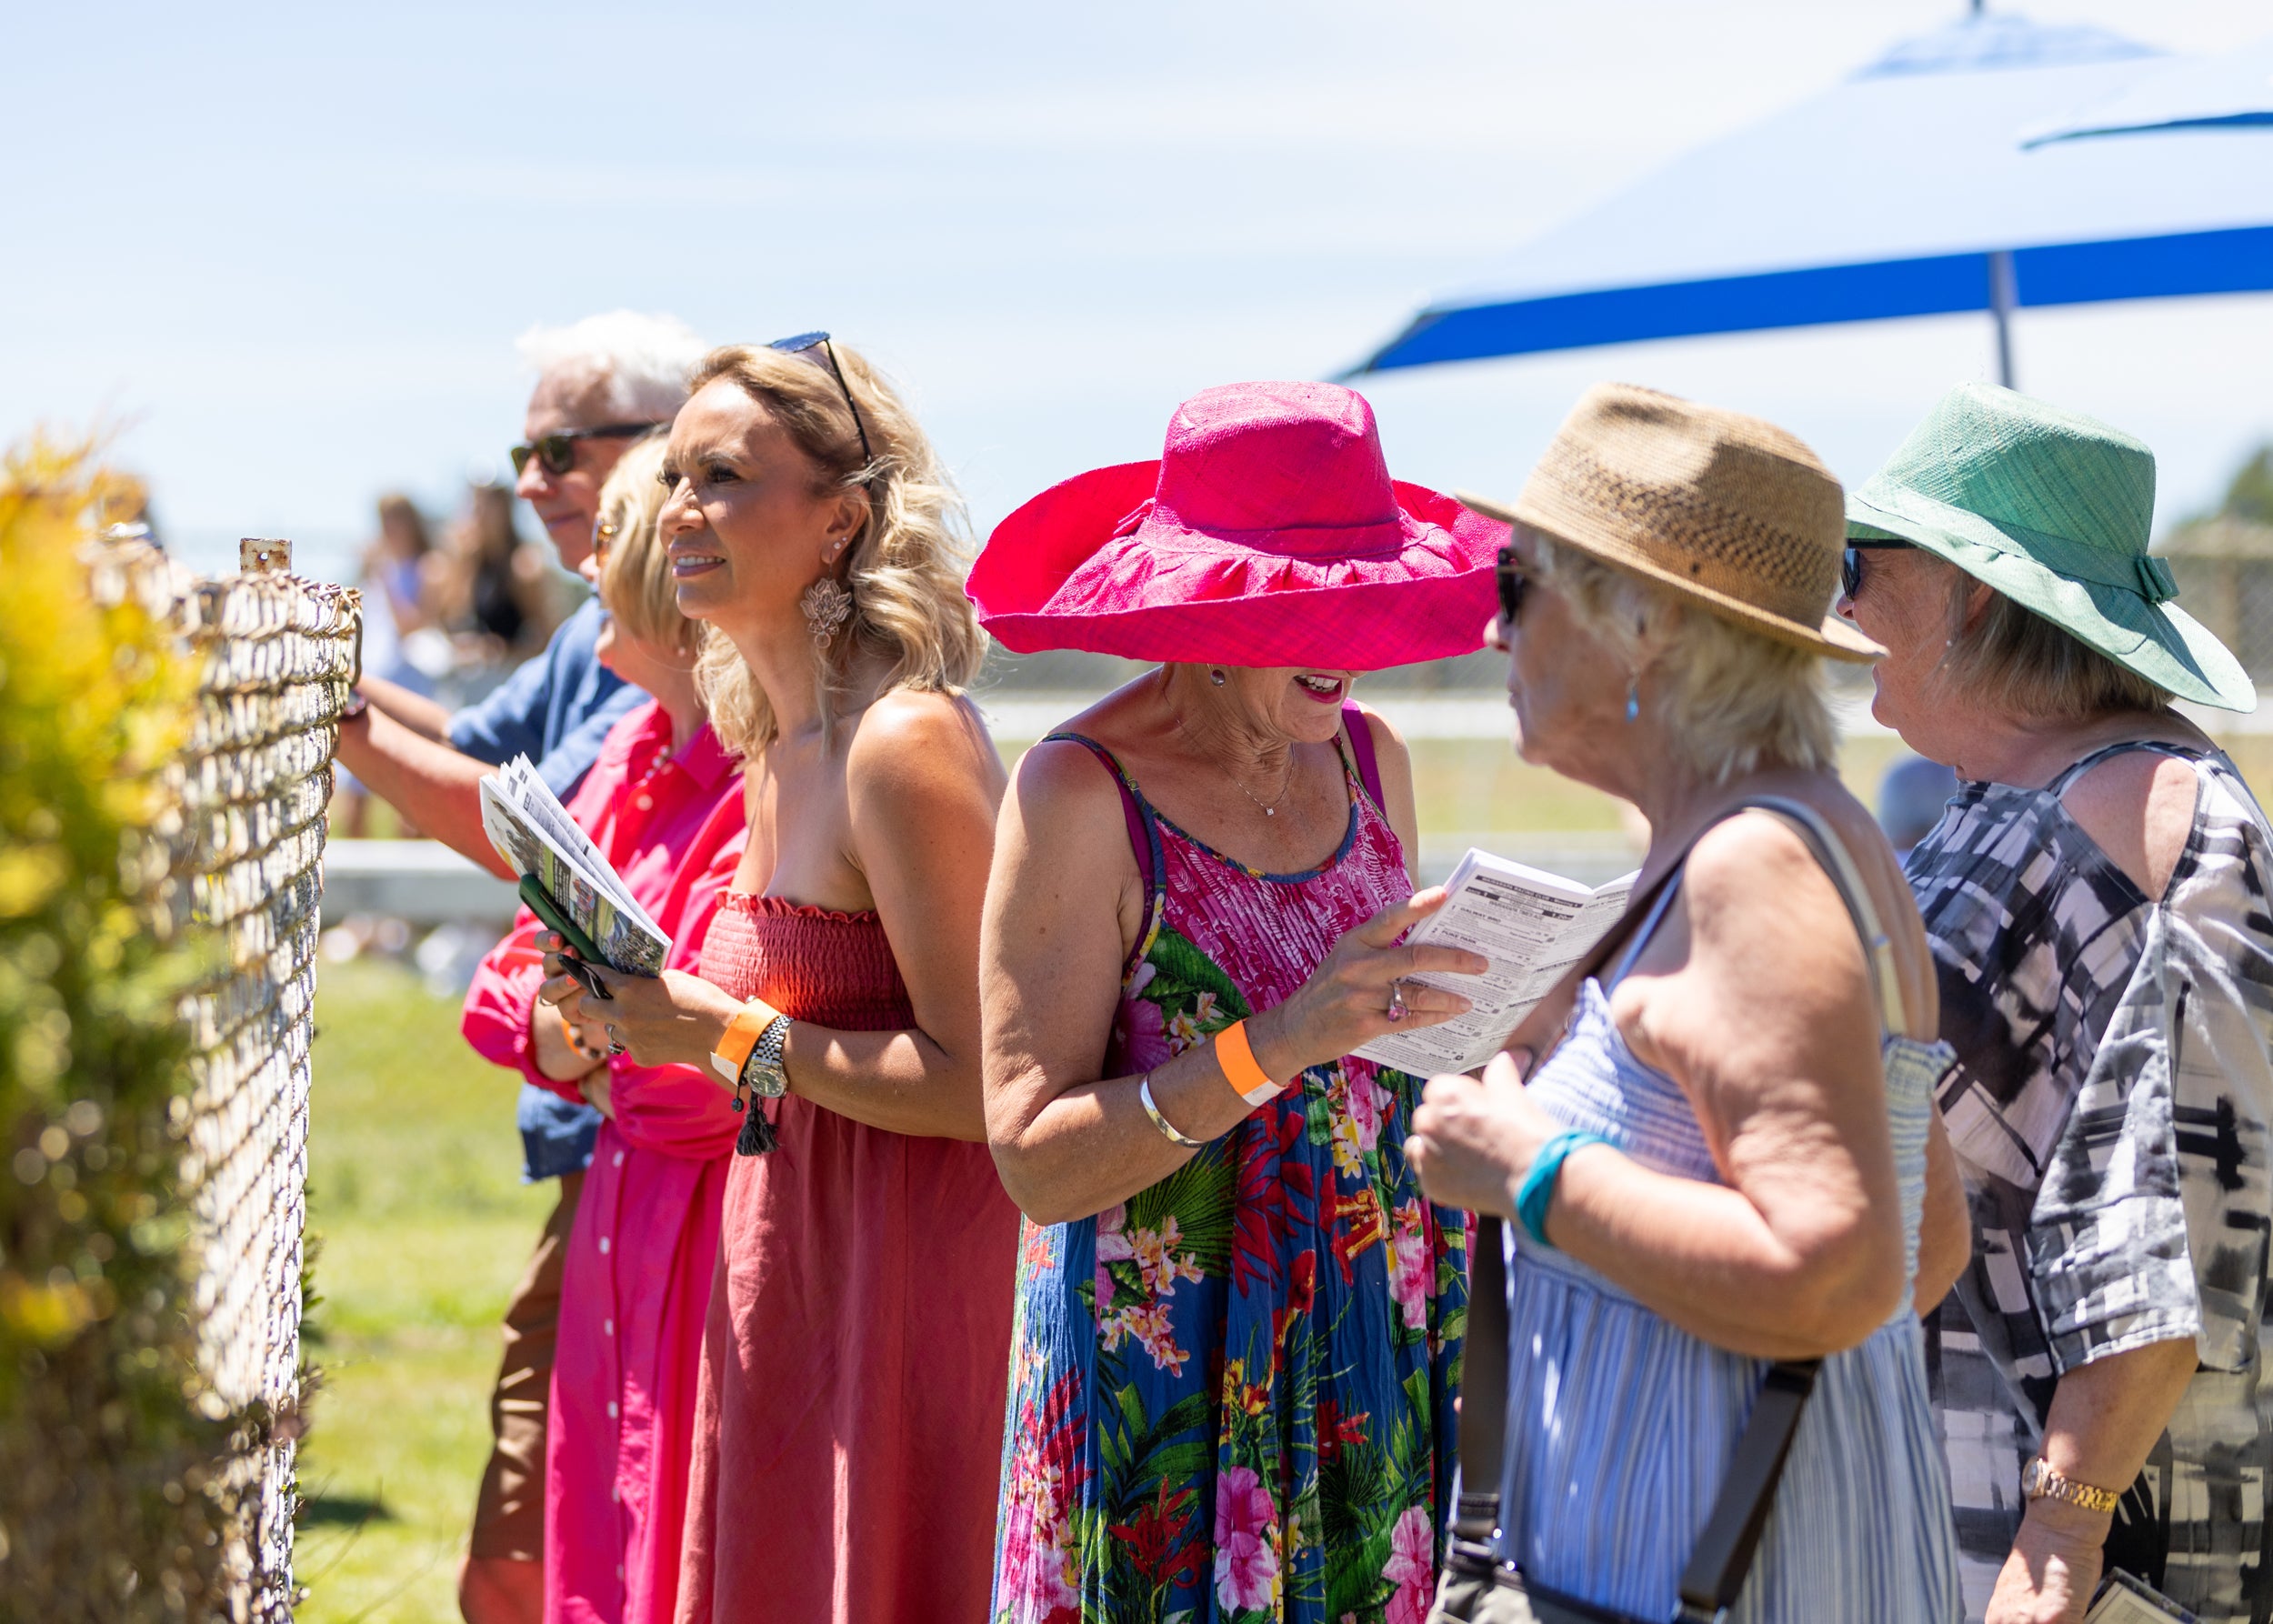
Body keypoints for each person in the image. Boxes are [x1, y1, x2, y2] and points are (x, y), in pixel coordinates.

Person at [1402, 383, 1969, 1621]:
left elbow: (1842, 1264)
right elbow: (1929, 1242)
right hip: (1791, 1552)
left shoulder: (1749, 869)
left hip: (1714, 1580)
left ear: (1643, 620)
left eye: (1518, 587)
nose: (1495, 635)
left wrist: (1530, 1164)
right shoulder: (1808, 835)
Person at [971, 380, 1496, 1624]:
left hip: (1370, 1334)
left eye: (1362, 593)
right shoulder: (1079, 791)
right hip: (1169, 1384)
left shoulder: (1374, 760)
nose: (1345, 636)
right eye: (1299, 601)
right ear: (1201, 604)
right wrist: (1278, 1043)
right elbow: (1034, 1161)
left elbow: (1383, 1044)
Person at [542, 335, 1019, 1624]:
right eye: (673, 473)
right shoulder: (772, 743)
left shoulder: (902, 741)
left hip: (911, 1287)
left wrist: (725, 1030)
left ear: (841, 519)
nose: (676, 509)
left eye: (723, 476)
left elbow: (987, 1084)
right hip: (787, 1263)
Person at [1838, 383, 2273, 1624]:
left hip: (2092, 1552)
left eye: (1863, 564)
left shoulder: (2163, 818)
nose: (1843, 602)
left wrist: (2059, 1536)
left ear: (1978, 592)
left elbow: (2190, 1218)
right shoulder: (2012, 790)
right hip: (1953, 1497)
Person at [335, 311, 708, 1624]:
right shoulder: (600, 641)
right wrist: (334, 693)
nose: (531, 478)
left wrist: (336, 717)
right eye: (525, 450)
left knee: (565, 1531)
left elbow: (510, 823)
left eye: (561, 447)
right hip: (611, 1152)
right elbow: (497, 775)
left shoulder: (690, 672)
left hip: (675, 1165)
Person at [462, 436, 746, 1624]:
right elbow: (504, 996)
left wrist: (586, 1032)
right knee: (599, 1547)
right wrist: (591, 1031)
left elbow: (704, 1080)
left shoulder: (757, 778)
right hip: (621, 1227)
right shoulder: (629, 755)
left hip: (707, 1242)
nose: (585, 584)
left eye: (608, 563)